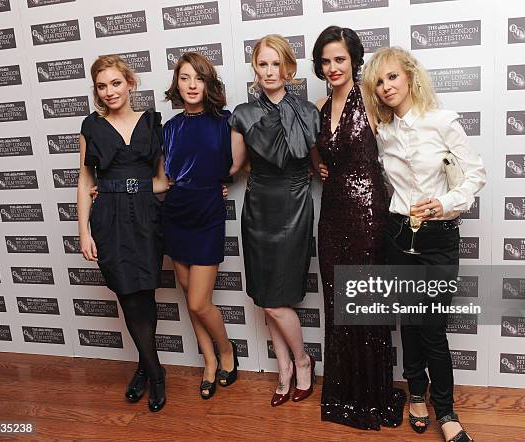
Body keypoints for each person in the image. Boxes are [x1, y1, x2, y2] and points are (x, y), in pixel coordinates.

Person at [362, 46, 485, 442]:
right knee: (410, 324)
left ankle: (446, 412)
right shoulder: (383, 132)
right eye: (379, 82)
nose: (386, 87)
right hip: (399, 236)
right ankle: (416, 394)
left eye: (392, 77)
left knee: (432, 327)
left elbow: (475, 176)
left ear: (410, 76)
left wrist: (445, 202)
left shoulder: (442, 121)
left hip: (438, 239)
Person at [312, 25, 405, 430]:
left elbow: (401, 143)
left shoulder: (369, 96)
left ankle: (374, 395)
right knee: (338, 304)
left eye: (340, 59)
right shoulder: (319, 105)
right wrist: (319, 165)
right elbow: (323, 157)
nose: (333, 67)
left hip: (368, 214)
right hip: (331, 214)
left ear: (353, 60)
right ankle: (346, 393)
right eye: (326, 60)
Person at [229, 35, 319, 406]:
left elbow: (317, 166)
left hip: (295, 206)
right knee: (266, 298)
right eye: (262, 64)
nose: (269, 71)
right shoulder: (243, 114)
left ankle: (302, 361)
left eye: (275, 64)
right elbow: (233, 167)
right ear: (255, 67)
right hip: (258, 210)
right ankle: (284, 368)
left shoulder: (309, 111)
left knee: (278, 299)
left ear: (289, 68)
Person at [77, 55, 169, 412]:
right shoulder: (91, 125)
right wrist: (83, 230)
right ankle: (156, 372)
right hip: (110, 218)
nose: (109, 91)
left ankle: (145, 367)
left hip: (145, 215)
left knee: (144, 292)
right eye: (102, 86)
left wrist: (132, 186)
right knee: (129, 295)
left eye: (116, 83)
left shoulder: (152, 123)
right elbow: (85, 179)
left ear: (130, 83)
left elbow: (163, 179)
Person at [163, 52, 238, 400]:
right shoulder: (169, 128)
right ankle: (209, 361)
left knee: (197, 302)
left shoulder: (225, 122)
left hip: (208, 215)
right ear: (177, 84)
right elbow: (163, 180)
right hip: (176, 216)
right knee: (187, 295)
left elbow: (241, 164)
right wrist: (117, 188)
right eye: (185, 78)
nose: (192, 85)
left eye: (199, 78)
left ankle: (227, 352)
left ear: (208, 83)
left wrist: (222, 181)